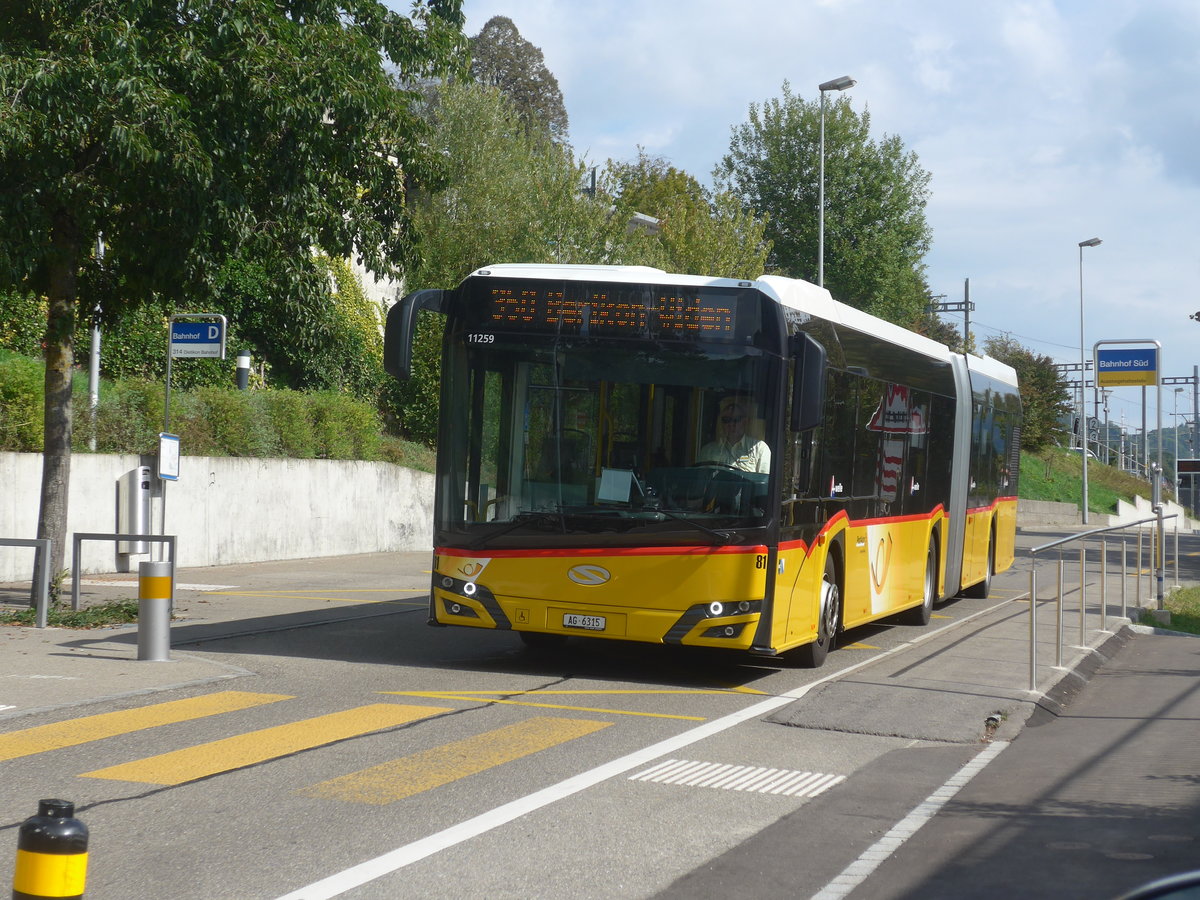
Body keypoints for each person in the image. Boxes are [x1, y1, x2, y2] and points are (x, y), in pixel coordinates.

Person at [697, 395, 770, 473]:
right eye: (726, 420)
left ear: (745, 422)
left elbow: (764, 481)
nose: (731, 424)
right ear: (721, 423)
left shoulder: (760, 449)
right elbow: (701, 480)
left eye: (736, 419)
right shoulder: (708, 451)